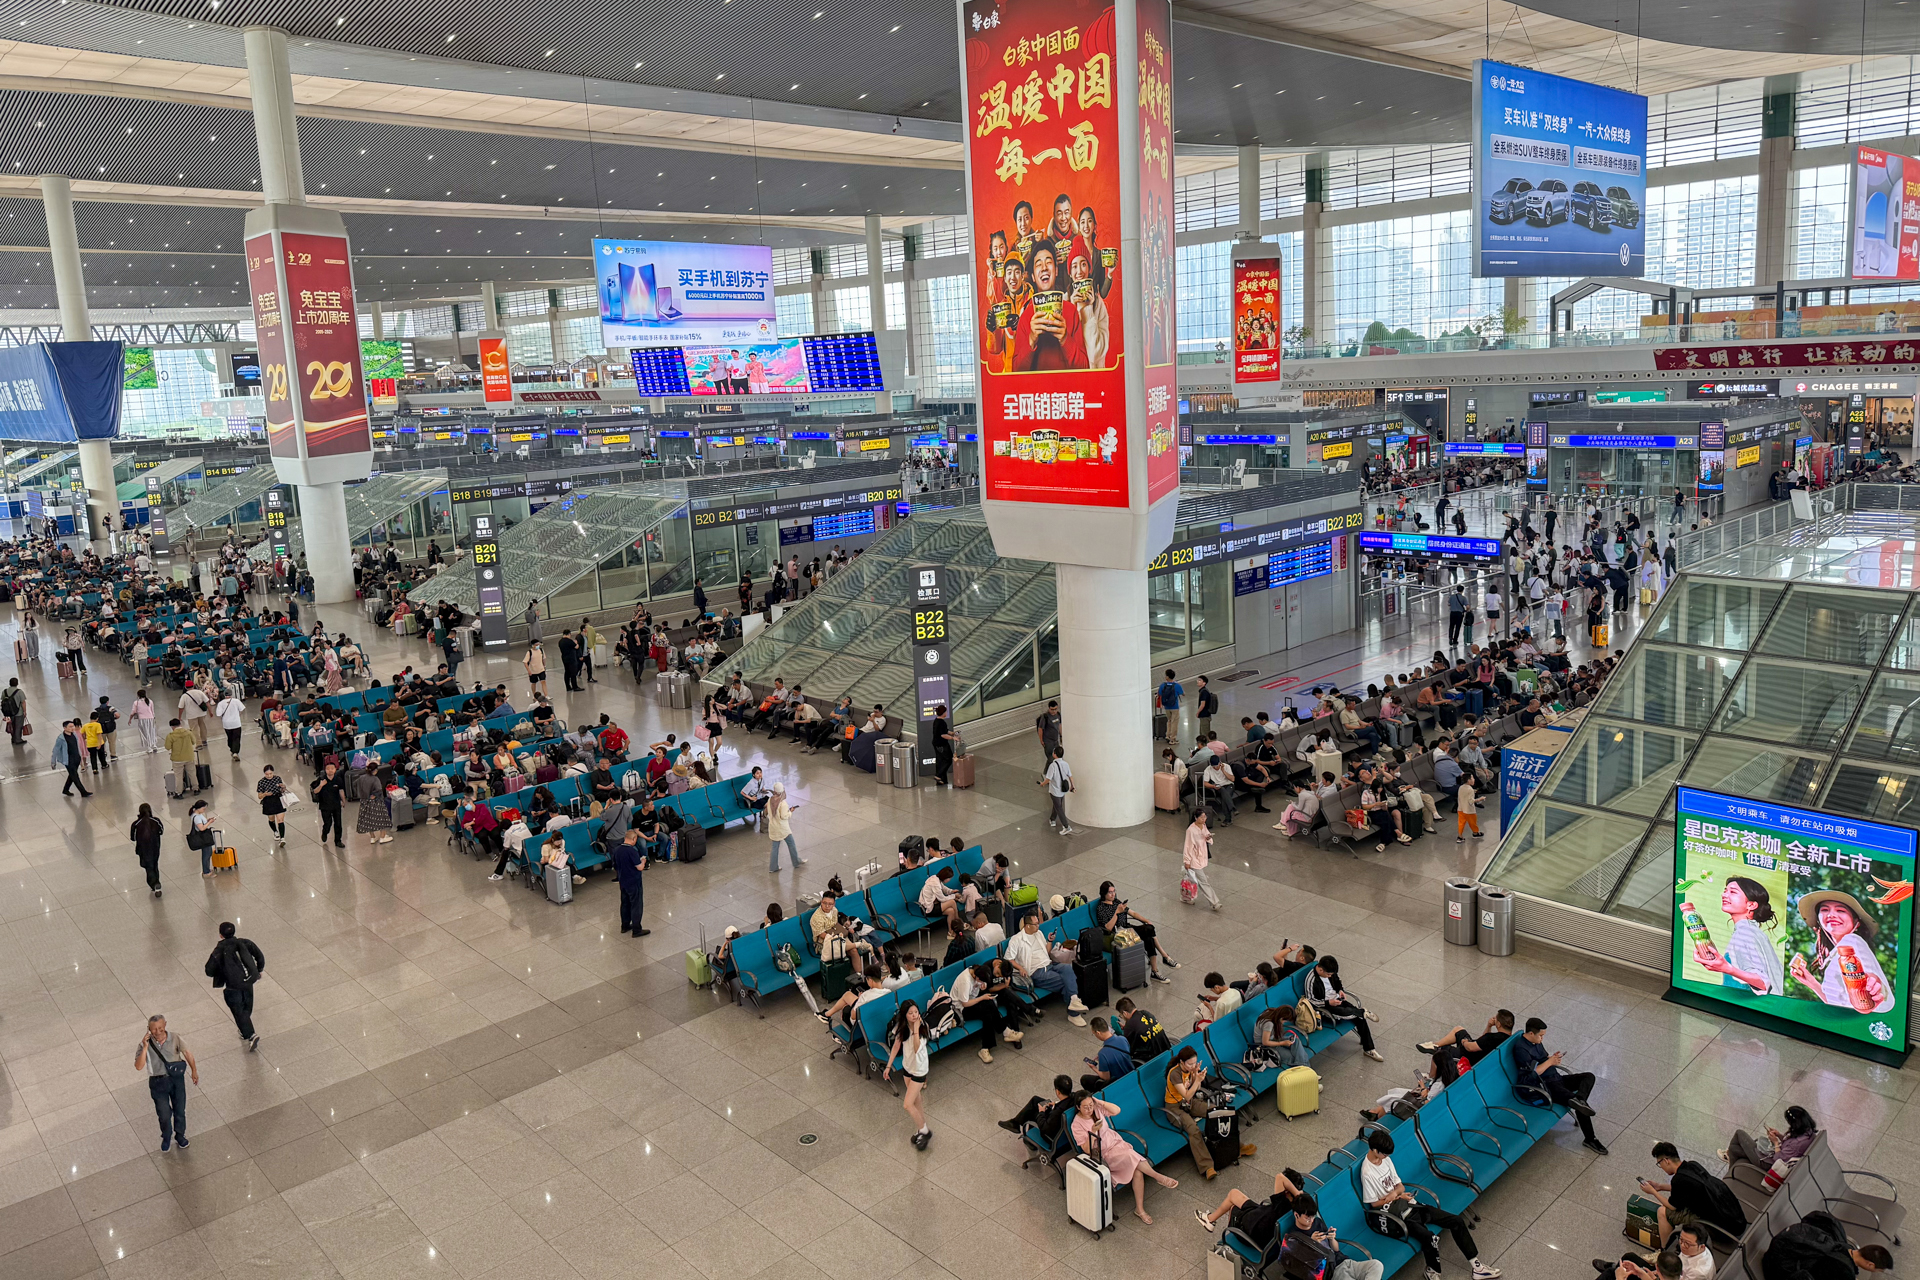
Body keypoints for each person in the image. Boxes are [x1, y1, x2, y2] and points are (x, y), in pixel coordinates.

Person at [1361, 1129, 1500, 1280]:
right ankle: (1432, 1271)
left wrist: (1397, 1194)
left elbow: (1400, 1186)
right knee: (1429, 1238)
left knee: (1457, 1221)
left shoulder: (1386, 1160)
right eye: (1384, 1154)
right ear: (1375, 1150)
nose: (1387, 1157)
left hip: (1410, 1205)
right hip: (1396, 1217)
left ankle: (1477, 1267)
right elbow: (1374, 1204)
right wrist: (1396, 1197)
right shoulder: (1367, 1173)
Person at [1070, 1093, 1180, 1224]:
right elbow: (1087, 1150)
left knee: (1137, 1171)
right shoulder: (1076, 1124)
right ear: (1078, 1107)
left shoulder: (1097, 1109)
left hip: (1117, 1143)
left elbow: (1117, 1110)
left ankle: (1140, 1209)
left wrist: (1100, 1103)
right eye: (1085, 1107)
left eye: (1091, 1105)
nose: (1089, 1110)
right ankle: (1158, 1177)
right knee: (1131, 1157)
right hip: (1105, 1154)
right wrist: (1093, 1132)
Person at [1788, 891, 1894, 1012]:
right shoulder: (1837, 954)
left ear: (1856, 922)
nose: (1831, 915)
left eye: (1841, 910)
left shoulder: (1852, 941)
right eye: (1824, 910)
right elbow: (1841, 1005)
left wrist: (1873, 985)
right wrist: (1812, 983)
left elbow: (1869, 978)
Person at [1514, 1016, 1608, 1154]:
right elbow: (1533, 1073)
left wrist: (1553, 1058)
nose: (1542, 1039)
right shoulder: (1521, 1049)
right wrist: (1549, 1062)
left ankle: (1580, 1100)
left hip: (1557, 1079)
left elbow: (1543, 1059)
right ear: (1531, 1033)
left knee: (1588, 1077)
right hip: (1546, 1086)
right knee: (1574, 1101)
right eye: (1541, 1035)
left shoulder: (1536, 1041)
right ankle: (1590, 1138)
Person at [1165, 1045, 1255, 1179]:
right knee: (1193, 1130)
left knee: (1217, 1112)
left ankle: (1236, 1147)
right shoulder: (1175, 1074)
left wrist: (1196, 1075)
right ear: (1181, 1063)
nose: (1193, 1065)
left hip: (1189, 1103)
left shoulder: (1190, 1069)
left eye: (1195, 1063)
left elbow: (1197, 1088)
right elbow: (1187, 1095)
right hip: (1174, 1108)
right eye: (1190, 1064)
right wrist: (1197, 1080)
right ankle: (1207, 1167)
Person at [1690, 875, 1785, 996]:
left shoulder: (1744, 933)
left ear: (1751, 905)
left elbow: (1763, 982)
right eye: (1725, 891)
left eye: (1733, 892)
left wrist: (1725, 968)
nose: (1724, 895)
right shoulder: (1753, 932)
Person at [1639, 1141, 1747, 1245]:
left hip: (1720, 1229)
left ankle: (1664, 1251)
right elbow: (1685, 1188)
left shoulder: (1678, 1179)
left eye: (1659, 1163)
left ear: (1666, 1161)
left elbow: (1671, 1206)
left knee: (1662, 1212)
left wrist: (1653, 1191)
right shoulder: (1692, 1165)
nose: (1661, 1167)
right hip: (1734, 1220)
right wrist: (1660, 1186)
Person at [1004, 911, 1088, 1025]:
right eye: (1036, 924)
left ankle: (1073, 1000)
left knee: (1068, 969)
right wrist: (1020, 968)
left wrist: (1050, 941)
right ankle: (1073, 1013)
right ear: (1028, 926)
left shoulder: (1038, 934)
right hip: (1037, 972)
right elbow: (1008, 959)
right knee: (1065, 981)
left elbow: (1046, 952)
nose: (1039, 925)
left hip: (1049, 964)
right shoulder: (1016, 940)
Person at [1760, 1211, 1892, 1280]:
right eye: (1877, 1270)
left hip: (1778, 1259)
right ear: (1870, 1265)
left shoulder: (1844, 1246)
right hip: (1780, 1274)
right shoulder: (1843, 1271)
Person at [134, 1014, 197, 1152]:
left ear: (165, 1025)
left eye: (160, 1028)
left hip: (176, 1079)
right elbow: (139, 1066)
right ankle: (166, 1137)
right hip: (157, 1082)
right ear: (149, 1029)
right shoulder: (144, 1043)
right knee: (164, 1114)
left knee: (180, 1110)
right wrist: (145, 1047)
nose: (158, 1032)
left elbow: (187, 1053)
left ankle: (180, 1136)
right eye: (154, 1029)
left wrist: (194, 1070)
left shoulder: (175, 1037)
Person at [1304, 956, 1384, 1061]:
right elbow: (1311, 1001)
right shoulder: (1311, 980)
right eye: (1328, 975)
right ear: (1320, 969)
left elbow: (1337, 981)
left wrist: (1340, 990)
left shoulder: (1330, 972)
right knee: (1352, 1014)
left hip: (1337, 999)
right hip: (1325, 1007)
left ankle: (1369, 1049)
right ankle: (1363, 1012)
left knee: (1360, 1018)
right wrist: (1328, 1002)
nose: (1330, 977)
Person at [1194, 1166, 1305, 1239]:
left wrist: (1296, 1193)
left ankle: (1231, 1239)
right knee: (1234, 1193)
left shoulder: (1280, 1203)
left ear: (1286, 1190)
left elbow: (1279, 1177)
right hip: (1263, 1218)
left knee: (1233, 1207)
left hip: (1254, 1231)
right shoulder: (1299, 1205)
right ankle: (1209, 1219)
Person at [204, 921, 265, 1052]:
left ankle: (250, 1034)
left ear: (220, 935)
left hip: (232, 985)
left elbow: (209, 970)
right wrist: (259, 969)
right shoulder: (245, 942)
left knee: (238, 1010)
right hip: (248, 982)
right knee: (246, 1007)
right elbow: (259, 955)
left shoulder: (219, 950)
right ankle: (244, 1030)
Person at [883, 1000, 934, 1150]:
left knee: (907, 1104)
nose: (914, 1015)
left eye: (916, 1012)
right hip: (908, 1068)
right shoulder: (902, 1027)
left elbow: (917, 1048)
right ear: (905, 1015)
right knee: (916, 1100)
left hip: (919, 1070)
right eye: (910, 1013)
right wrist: (888, 1066)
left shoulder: (923, 1027)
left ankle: (925, 1131)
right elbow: (896, 1046)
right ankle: (921, 1127)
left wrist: (916, 1029)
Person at [1723, 1105, 1819, 1179]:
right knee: (1733, 1149)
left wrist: (1776, 1142)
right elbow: (1789, 1145)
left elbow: (1779, 1159)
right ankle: (1730, 1166)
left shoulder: (1797, 1144)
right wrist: (1779, 1135)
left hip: (1767, 1163)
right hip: (1774, 1157)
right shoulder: (1808, 1132)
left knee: (1739, 1134)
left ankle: (1730, 1166)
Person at [1417, 1010, 1514, 1082]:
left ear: (1499, 1024)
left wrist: (1464, 1042)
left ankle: (1431, 1077)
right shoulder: (1510, 1038)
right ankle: (1434, 1044)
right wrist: (1489, 1026)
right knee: (1459, 1030)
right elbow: (1482, 1041)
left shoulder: (1492, 1038)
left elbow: (1471, 1047)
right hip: (1478, 1052)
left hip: (1469, 1056)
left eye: (1496, 1019)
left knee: (1439, 1053)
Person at [998, 1073, 1078, 1147]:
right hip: (1063, 1128)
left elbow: (1045, 1128)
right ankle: (1015, 1123)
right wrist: (1056, 1104)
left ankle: (1030, 1141)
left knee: (1033, 1111)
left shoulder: (1057, 1113)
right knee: (1035, 1100)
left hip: (1052, 1137)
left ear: (1057, 1092)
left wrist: (1041, 1112)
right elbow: (1064, 1105)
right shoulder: (1075, 1098)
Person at [1079, 1015, 1136, 1091]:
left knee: (1085, 1079)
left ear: (1098, 1033)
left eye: (1094, 1034)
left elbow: (1106, 1077)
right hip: (1132, 1076)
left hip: (1118, 1083)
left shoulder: (1102, 1054)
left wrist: (1094, 1068)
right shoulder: (1122, 1039)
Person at [1183, 808, 1222, 910]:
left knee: (1192, 880)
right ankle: (1214, 902)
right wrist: (1187, 861)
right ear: (1196, 818)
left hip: (1201, 857)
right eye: (1202, 817)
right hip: (1194, 859)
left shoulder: (1203, 826)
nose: (1204, 819)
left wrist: (1208, 838)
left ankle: (1186, 897)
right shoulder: (1191, 830)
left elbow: (1207, 837)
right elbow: (1188, 846)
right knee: (1203, 881)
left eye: (1205, 817)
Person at [614, 829, 650, 937]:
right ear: (634, 839)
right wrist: (643, 861)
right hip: (634, 881)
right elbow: (639, 867)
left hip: (623, 881)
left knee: (625, 903)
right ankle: (636, 929)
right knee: (636, 905)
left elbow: (615, 865)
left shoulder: (617, 850)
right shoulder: (632, 851)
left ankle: (624, 926)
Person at [765, 781, 804, 872]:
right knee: (791, 844)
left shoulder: (770, 800)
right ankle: (796, 862)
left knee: (775, 847)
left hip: (773, 827)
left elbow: (768, 813)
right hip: (782, 828)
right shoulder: (783, 803)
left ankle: (773, 867)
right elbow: (784, 816)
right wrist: (790, 812)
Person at [1040, 744, 1076, 834]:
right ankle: (1052, 819)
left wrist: (1042, 784)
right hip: (1063, 789)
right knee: (1057, 804)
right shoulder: (1065, 764)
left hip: (1055, 790)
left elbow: (1048, 779)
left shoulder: (1053, 766)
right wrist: (1072, 786)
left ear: (1055, 754)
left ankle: (1066, 826)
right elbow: (1070, 776)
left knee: (1058, 807)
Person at [130, 803, 164, 898]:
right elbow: (161, 831)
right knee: (155, 864)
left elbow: (133, 838)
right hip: (155, 847)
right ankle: (156, 884)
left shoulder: (136, 824)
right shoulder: (156, 821)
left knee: (148, 867)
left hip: (143, 849)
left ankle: (154, 884)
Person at [354, 764, 394, 845]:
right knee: (382, 819)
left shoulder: (361, 778)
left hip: (364, 801)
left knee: (368, 819)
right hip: (375, 802)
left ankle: (372, 837)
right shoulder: (375, 779)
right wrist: (374, 795)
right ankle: (382, 837)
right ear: (375, 770)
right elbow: (379, 789)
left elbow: (355, 785)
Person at [311, 759, 347, 849]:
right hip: (325, 806)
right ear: (325, 770)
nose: (330, 770)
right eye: (328, 769)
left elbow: (341, 790)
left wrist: (343, 800)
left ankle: (338, 841)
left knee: (338, 823)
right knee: (328, 823)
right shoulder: (321, 779)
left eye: (332, 768)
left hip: (336, 805)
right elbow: (315, 791)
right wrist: (321, 785)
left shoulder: (338, 779)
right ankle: (325, 832)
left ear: (335, 769)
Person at [53, 718, 90, 797]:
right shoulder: (61, 738)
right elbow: (55, 750)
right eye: (70, 727)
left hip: (76, 758)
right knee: (75, 776)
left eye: (73, 726)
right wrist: (53, 762)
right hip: (68, 760)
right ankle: (83, 792)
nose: (72, 728)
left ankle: (66, 789)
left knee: (72, 775)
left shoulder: (74, 735)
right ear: (65, 728)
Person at [256, 764, 287, 846]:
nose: (269, 776)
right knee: (271, 819)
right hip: (268, 801)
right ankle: (275, 831)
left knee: (280, 820)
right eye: (267, 774)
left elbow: (282, 789)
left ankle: (282, 838)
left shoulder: (277, 778)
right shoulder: (261, 782)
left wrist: (283, 787)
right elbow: (259, 796)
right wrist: (265, 794)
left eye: (270, 774)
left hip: (278, 799)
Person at [214, 688, 246, 759]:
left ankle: (232, 748)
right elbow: (242, 709)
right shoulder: (236, 701)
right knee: (236, 738)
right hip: (236, 723)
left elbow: (218, 714)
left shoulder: (221, 703)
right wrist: (237, 715)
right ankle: (235, 752)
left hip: (226, 724)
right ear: (231, 694)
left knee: (230, 738)